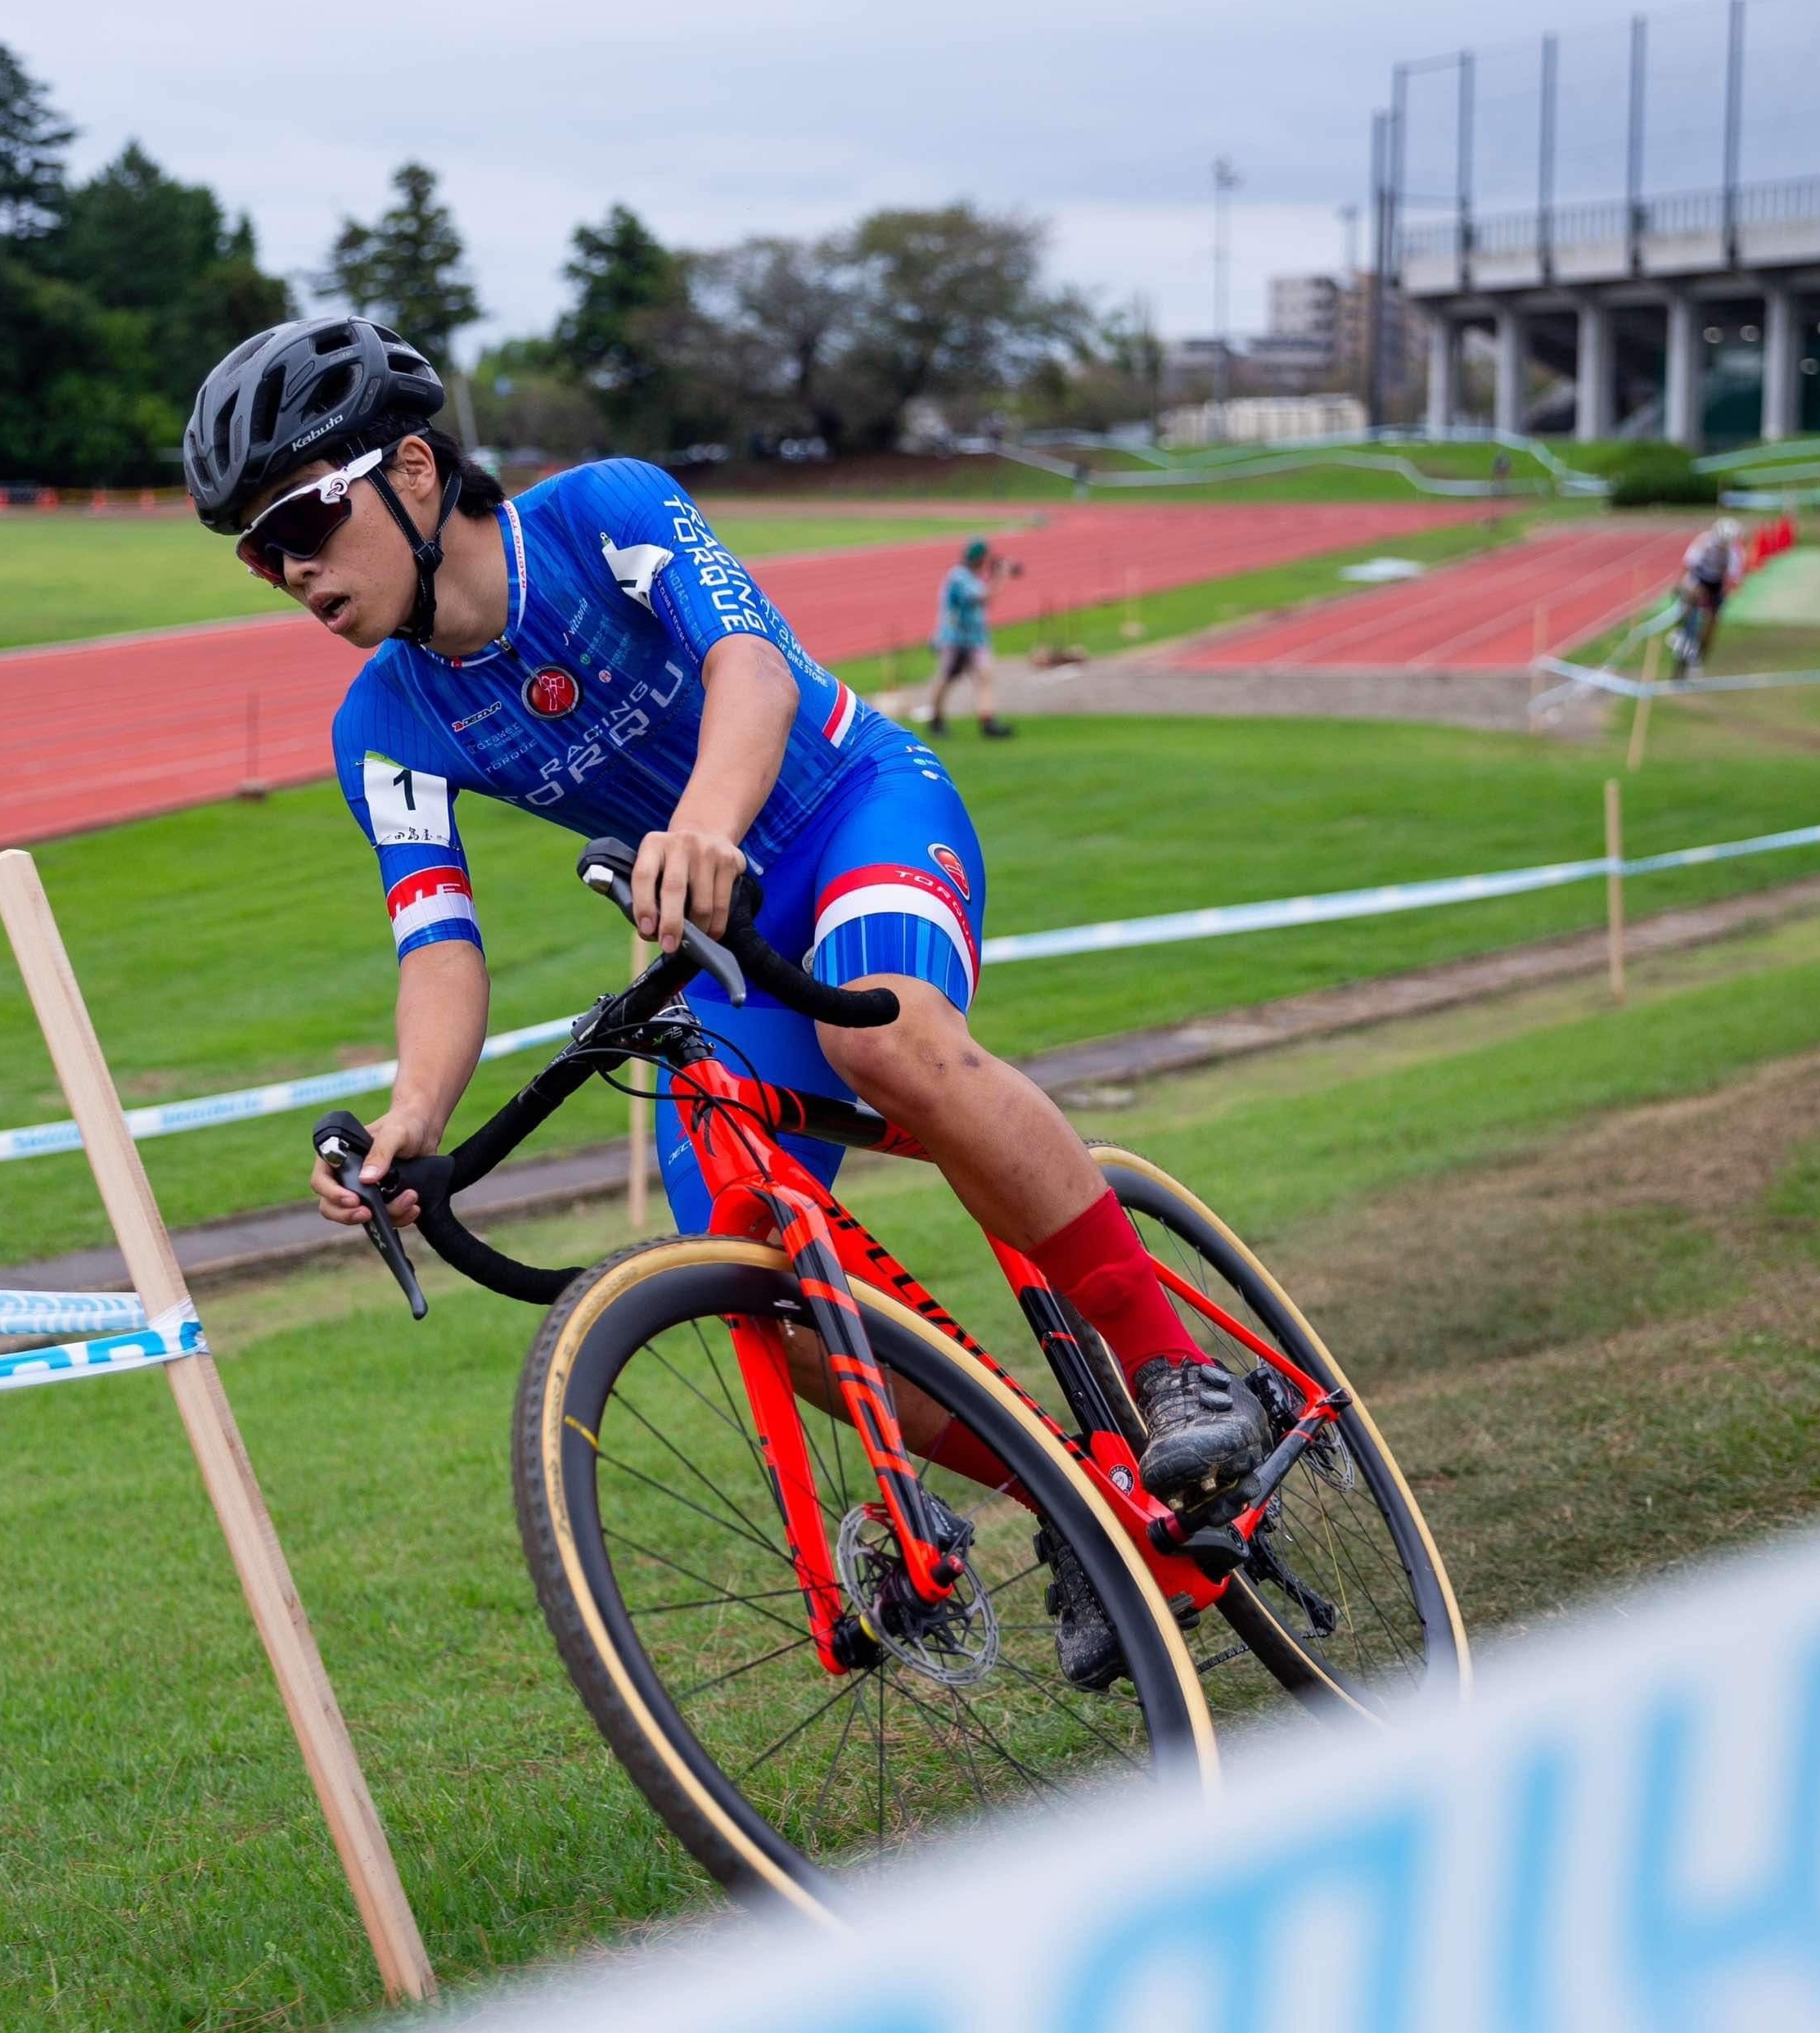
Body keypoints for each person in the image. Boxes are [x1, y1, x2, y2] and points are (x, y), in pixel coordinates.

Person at [184, 316, 1275, 1684]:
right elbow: (436, 947)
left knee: (892, 1045)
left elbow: (747, 665)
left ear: (409, 473)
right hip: (711, 919)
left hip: (847, 814)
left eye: (299, 519)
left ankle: (1176, 1364)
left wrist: (704, 824)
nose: (285, 572)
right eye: (251, 550)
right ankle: (1066, 1501)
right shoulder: (381, 725)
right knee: (763, 1286)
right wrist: (415, 1117)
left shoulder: (602, 514)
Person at [917, 537, 1016, 738]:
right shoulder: (959, 577)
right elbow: (983, 597)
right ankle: (936, 719)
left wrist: (995, 577)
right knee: (946, 678)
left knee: (985, 677)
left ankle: (987, 722)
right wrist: (1002, 576)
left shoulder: (970, 576)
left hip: (975, 638)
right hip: (956, 639)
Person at [1676, 516, 1740, 669]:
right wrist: (1688, 587)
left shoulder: (1733, 552)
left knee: (1712, 622)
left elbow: (1732, 578)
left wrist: (1720, 595)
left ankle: (1701, 653)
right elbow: (1688, 566)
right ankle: (1683, 631)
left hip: (1716, 584)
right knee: (1689, 604)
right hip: (1698, 579)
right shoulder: (1703, 543)